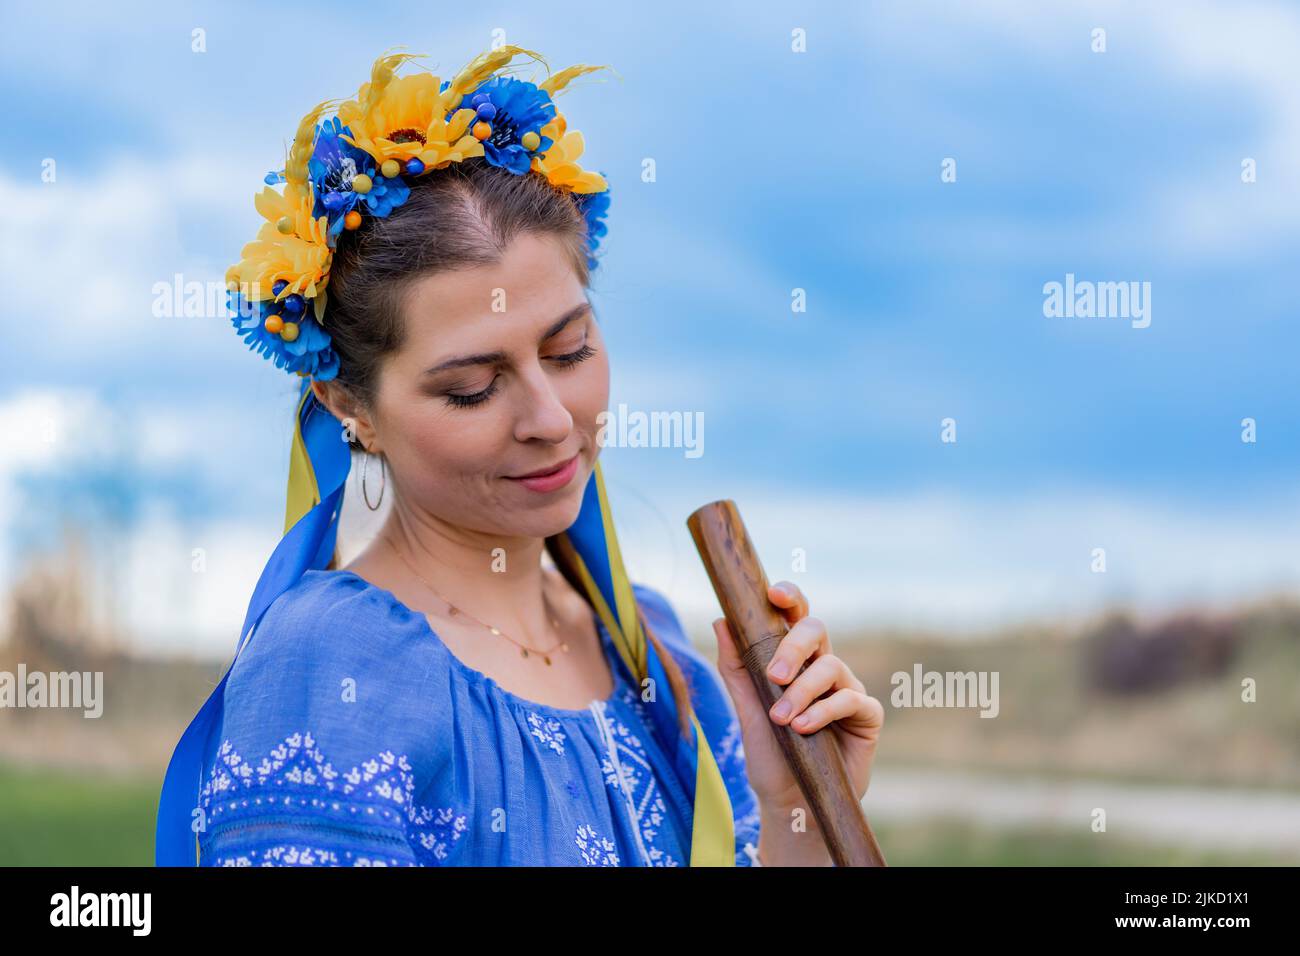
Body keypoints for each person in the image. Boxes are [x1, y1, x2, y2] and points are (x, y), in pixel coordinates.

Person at [156, 45, 883, 867]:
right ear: (349, 405)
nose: (549, 417)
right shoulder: (333, 668)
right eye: (471, 387)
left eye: (570, 350)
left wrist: (797, 810)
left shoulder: (659, 656)